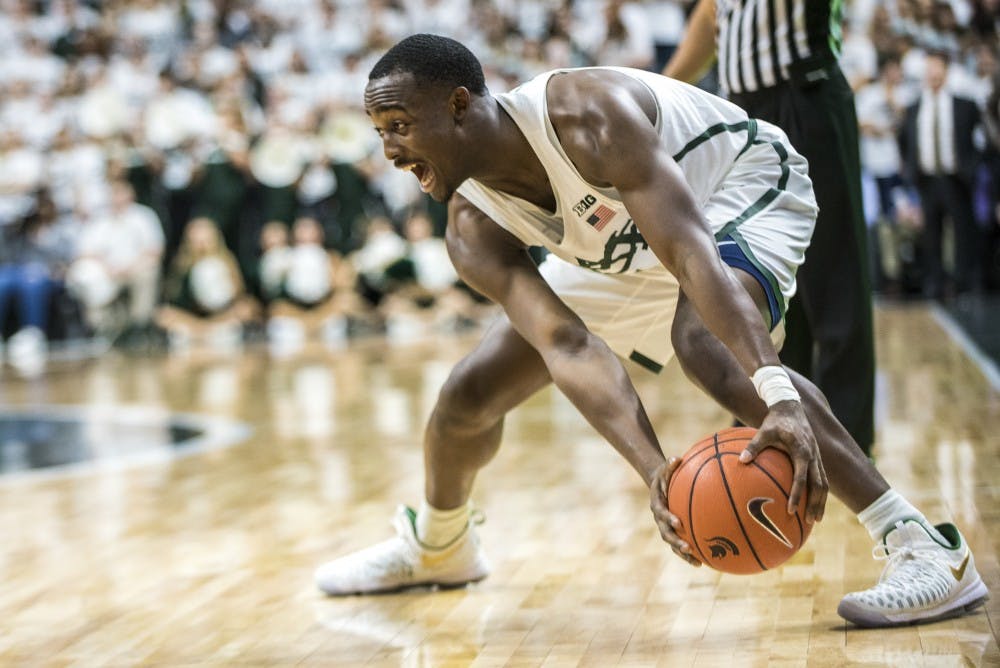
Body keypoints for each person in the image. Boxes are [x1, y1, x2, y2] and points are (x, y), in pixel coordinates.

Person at [314, 34, 988, 629]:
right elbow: (567, 344)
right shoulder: (471, 228)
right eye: (379, 131)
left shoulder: (583, 115)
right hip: (626, 249)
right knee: (468, 396)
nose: (389, 150)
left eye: (399, 124)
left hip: (734, 191)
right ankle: (441, 544)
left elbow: (692, 253)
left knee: (707, 347)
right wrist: (654, 471)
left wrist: (778, 393)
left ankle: (924, 546)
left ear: (459, 105)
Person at [663, 0, 876, 456]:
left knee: (834, 274)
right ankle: (767, 421)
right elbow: (712, 16)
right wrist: (664, 85)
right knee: (752, 265)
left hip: (806, 96)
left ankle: (850, 443)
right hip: (740, 111)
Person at [899, 50, 983, 298]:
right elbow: (904, 140)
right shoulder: (914, 108)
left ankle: (962, 283)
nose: (933, 73)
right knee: (930, 235)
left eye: (937, 68)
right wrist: (911, 168)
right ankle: (933, 284)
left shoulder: (964, 105)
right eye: (929, 68)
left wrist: (970, 167)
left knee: (961, 232)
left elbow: (979, 139)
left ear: (946, 70)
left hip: (955, 178)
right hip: (926, 179)